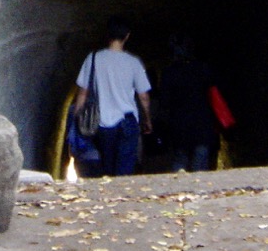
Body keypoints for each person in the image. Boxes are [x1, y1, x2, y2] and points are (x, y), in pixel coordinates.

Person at [74, 16, 152, 176]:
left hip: (103, 123)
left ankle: (110, 190)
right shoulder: (133, 62)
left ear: (107, 34)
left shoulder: (93, 58)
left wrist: (77, 119)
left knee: (108, 169)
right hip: (128, 121)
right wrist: (147, 119)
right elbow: (143, 97)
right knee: (125, 169)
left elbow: (82, 93)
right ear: (127, 36)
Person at [157, 34, 218, 172]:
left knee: (180, 162)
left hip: (179, 125)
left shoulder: (169, 73)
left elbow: (164, 101)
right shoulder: (203, 69)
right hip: (202, 124)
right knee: (200, 165)